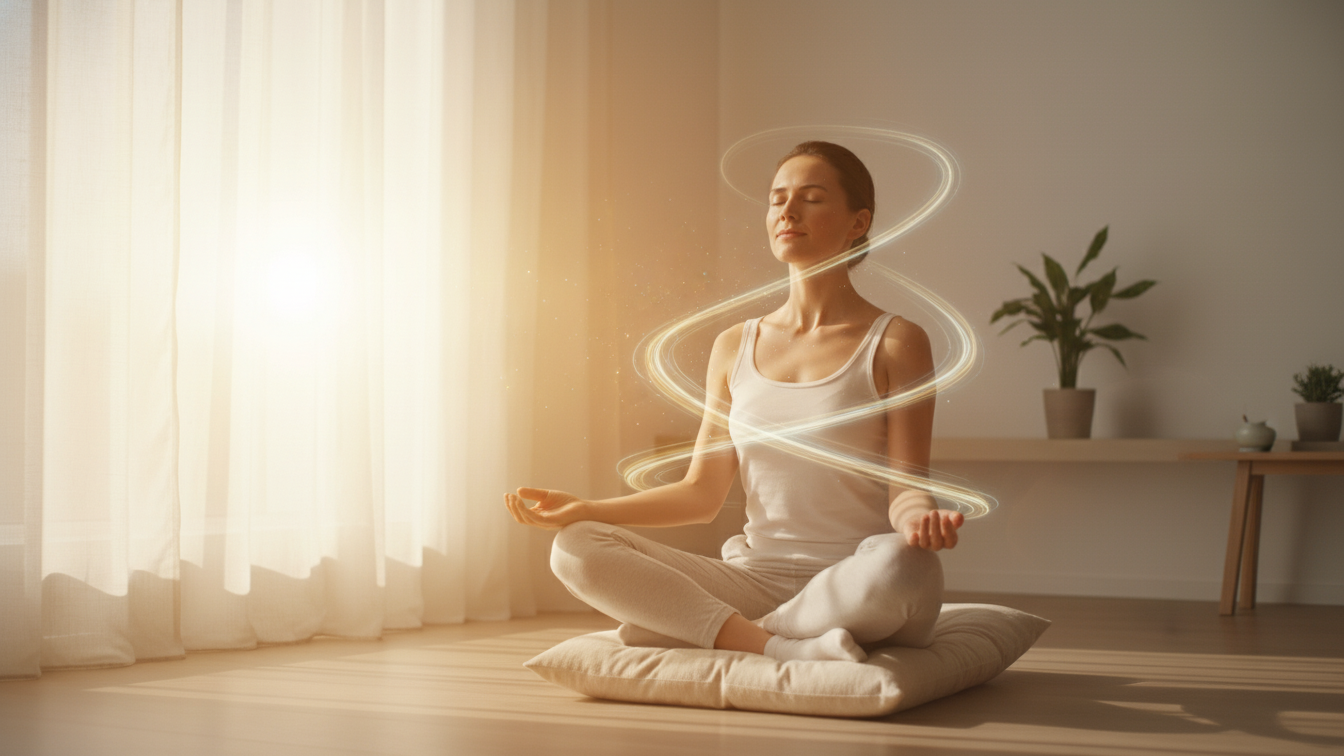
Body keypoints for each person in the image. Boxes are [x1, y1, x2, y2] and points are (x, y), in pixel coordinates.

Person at [504, 141, 963, 663]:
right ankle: (773, 644)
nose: (787, 212)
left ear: (858, 222)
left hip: (853, 575)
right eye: (776, 199)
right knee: (577, 546)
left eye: (811, 198)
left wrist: (921, 518)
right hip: (755, 578)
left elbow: (906, 489)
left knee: (908, 565)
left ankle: (706, 629)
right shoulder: (732, 346)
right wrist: (586, 508)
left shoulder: (897, 341)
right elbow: (700, 494)